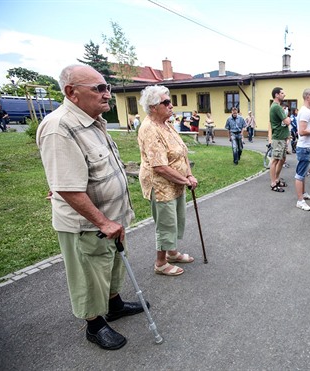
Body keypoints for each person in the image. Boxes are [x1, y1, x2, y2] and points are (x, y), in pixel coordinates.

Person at [37, 64, 144, 350]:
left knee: (111, 266)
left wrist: (113, 219)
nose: (107, 94)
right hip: (88, 224)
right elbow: (68, 186)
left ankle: (115, 305)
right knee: (89, 275)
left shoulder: (93, 121)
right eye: (98, 88)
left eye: (107, 87)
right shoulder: (59, 127)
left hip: (110, 218)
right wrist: (102, 222)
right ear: (72, 92)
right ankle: (94, 325)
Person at [137, 85, 198, 279]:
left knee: (176, 218)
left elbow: (182, 152)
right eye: (166, 102)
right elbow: (159, 167)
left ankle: (172, 253)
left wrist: (188, 175)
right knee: (166, 222)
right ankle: (161, 263)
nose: (171, 105)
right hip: (161, 185)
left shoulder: (167, 124)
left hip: (176, 182)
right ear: (153, 107)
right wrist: (184, 180)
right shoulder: (150, 129)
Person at [294, 88, 310, 211]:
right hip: (304, 148)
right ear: (307, 97)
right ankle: (300, 200)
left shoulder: (308, 112)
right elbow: (302, 131)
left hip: (307, 147)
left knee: (303, 174)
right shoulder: (304, 112)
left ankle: (303, 194)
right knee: (300, 174)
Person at [268, 87, 291, 192]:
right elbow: (287, 121)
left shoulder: (277, 107)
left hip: (282, 138)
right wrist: (289, 118)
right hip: (278, 138)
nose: (284, 94)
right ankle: (273, 183)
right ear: (276, 95)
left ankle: (277, 179)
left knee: (282, 159)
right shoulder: (276, 107)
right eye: (282, 93)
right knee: (275, 160)